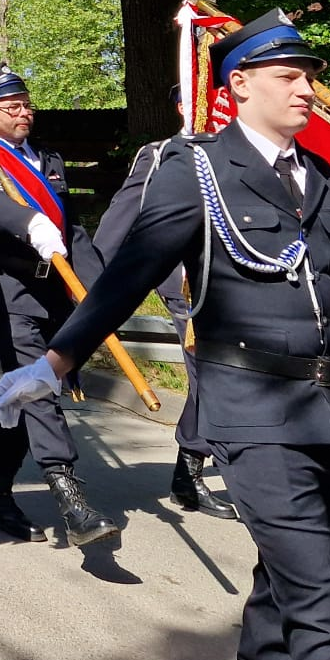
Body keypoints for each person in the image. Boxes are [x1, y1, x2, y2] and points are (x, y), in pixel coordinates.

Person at [0, 10, 330, 660]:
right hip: (250, 410)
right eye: (291, 77)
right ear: (242, 83)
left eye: (310, 77)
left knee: (292, 586)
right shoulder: (195, 172)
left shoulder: (315, 175)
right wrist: (56, 358)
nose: (308, 91)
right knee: (319, 602)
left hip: (329, 409)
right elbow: (128, 275)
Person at [0, 66, 117, 546]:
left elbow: (70, 229)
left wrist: (103, 289)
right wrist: (29, 221)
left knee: (21, 394)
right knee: (40, 386)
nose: (24, 112)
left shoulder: (47, 158)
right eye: (12, 107)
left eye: (27, 104)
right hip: (11, 292)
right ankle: (72, 500)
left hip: (55, 291)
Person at [92, 90, 238, 519]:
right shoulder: (163, 155)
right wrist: (91, 284)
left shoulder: (250, 156)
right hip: (191, 285)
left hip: (246, 287)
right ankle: (194, 473)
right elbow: (122, 215)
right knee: (211, 376)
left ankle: (193, 472)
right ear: (182, 107)